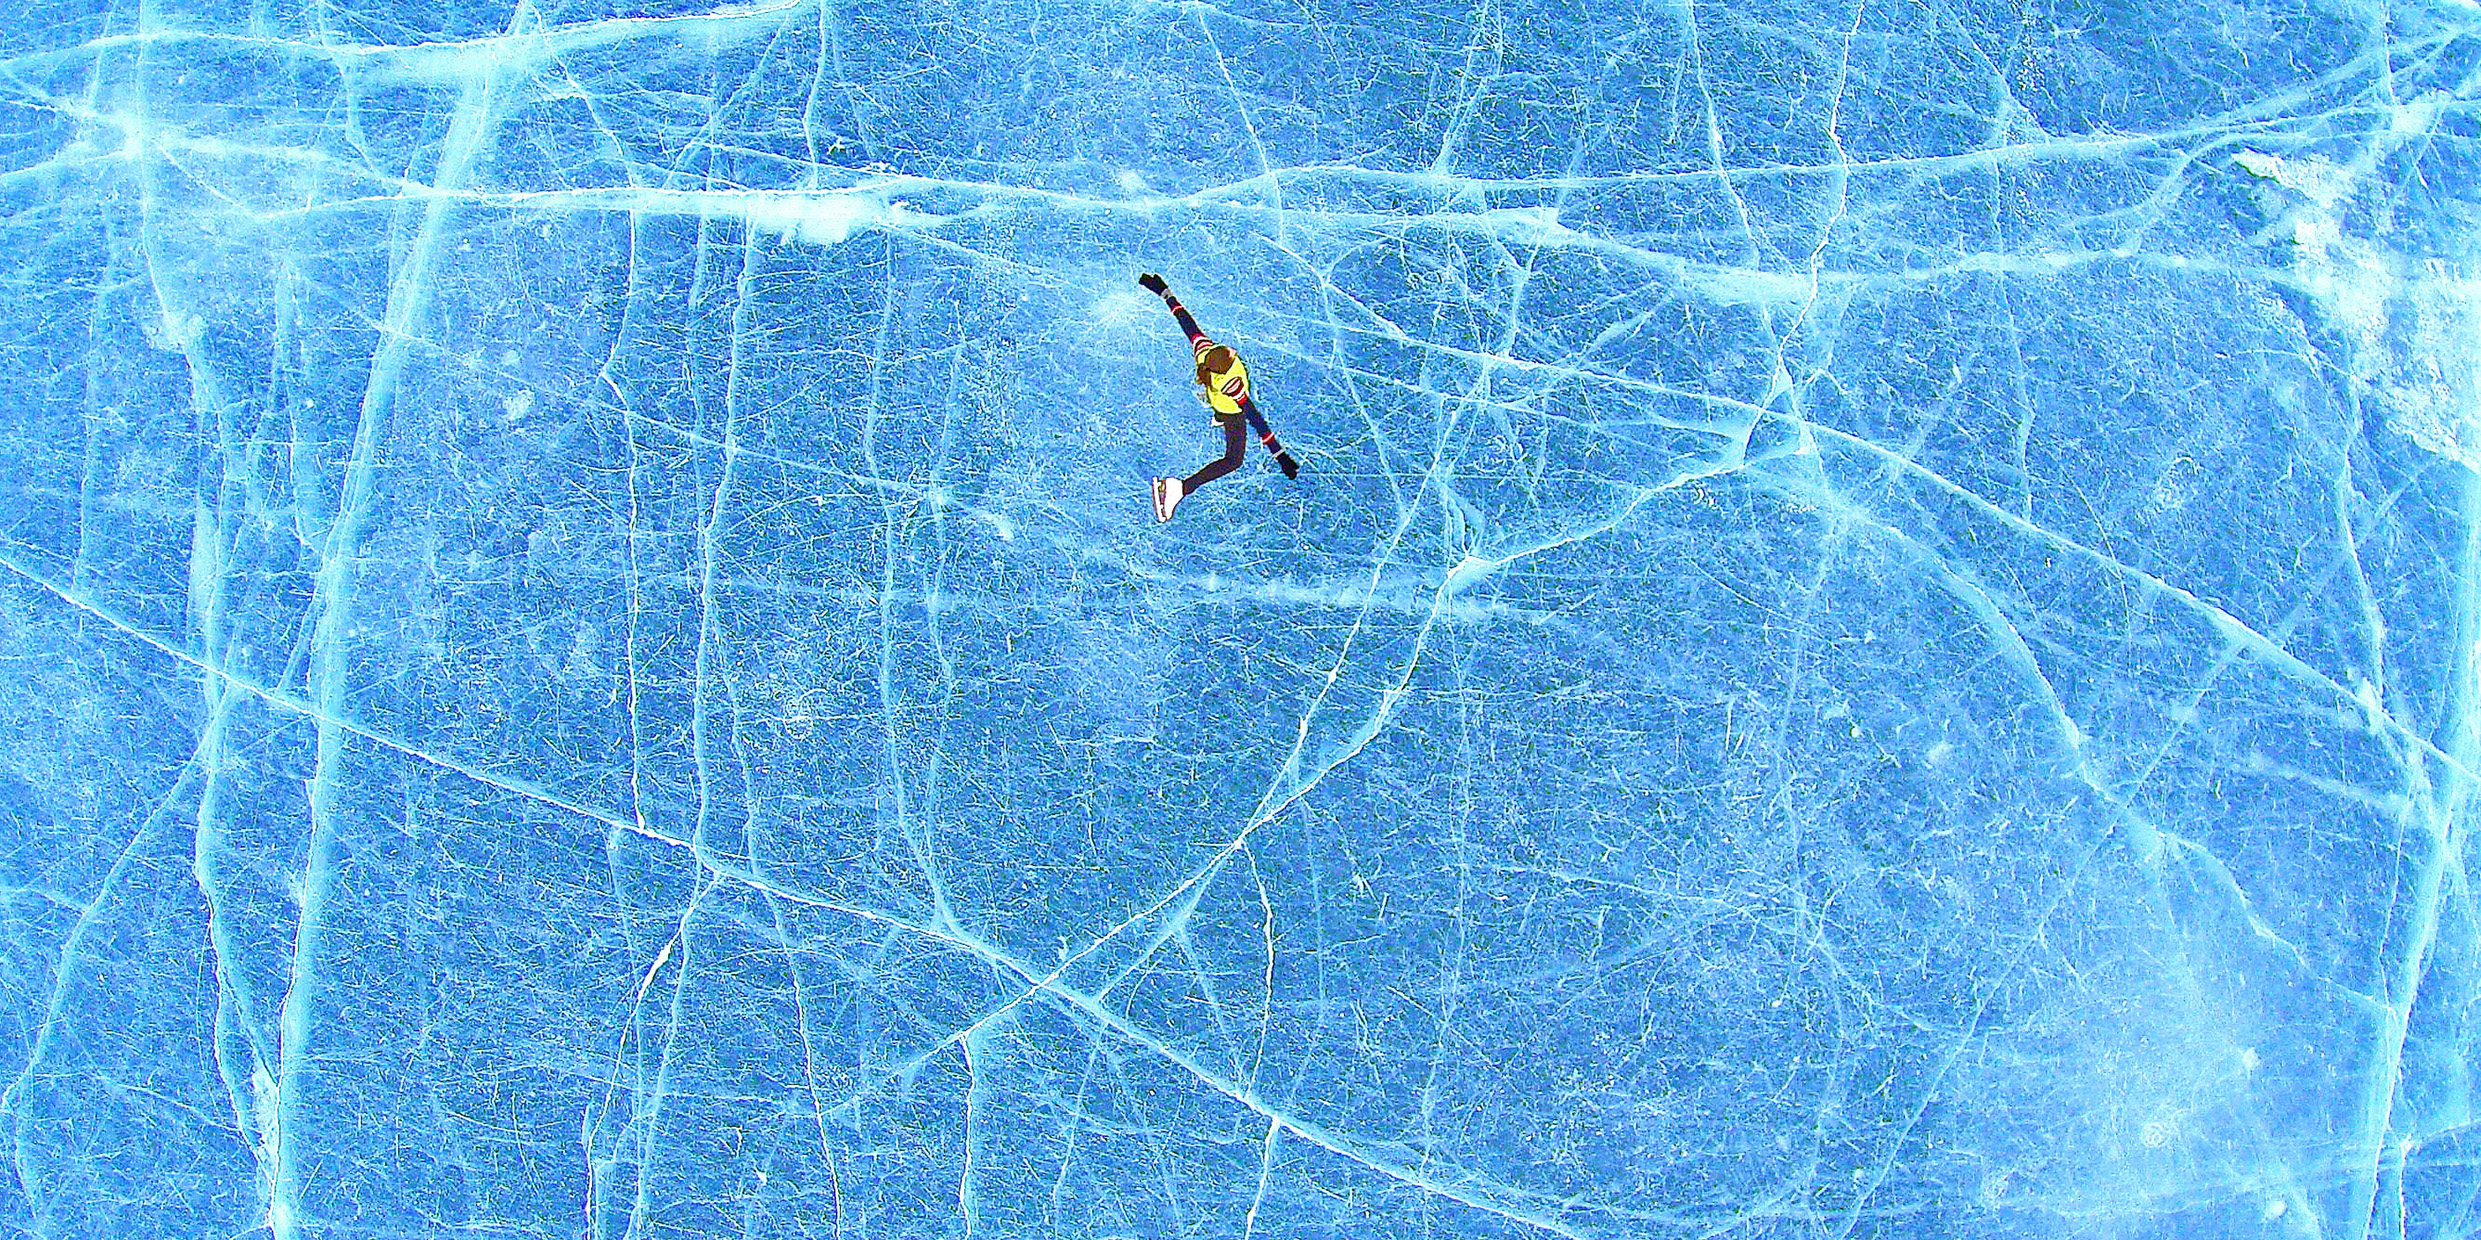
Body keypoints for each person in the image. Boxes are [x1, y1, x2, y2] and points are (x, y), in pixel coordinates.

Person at [1138, 272, 1299, 522]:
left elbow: (1185, 320)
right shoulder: (1233, 384)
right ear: (1225, 365)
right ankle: (1177, 489)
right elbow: (1255, 419)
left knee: (1219, 407)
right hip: (1230, 410)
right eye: (1231, 355)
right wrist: (1281, 456)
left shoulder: (1204, 352)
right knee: (1233, 460)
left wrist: (1163, 291)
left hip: (1216, 400)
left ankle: (1218, 415)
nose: (1233, 350)